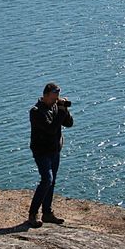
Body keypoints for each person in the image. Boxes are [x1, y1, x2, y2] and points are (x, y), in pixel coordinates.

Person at [28, 82, 73, 228]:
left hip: (54, 150)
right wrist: (60, 110)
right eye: (54, 97)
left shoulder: (55, 107)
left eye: (57, 97)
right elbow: (50, 129)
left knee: (52, 182)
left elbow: (69, 123)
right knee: (47, 179)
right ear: (45, 95)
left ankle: (47, 213)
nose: (56, 100)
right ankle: (32, 214)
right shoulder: (36, 111)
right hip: (41, 151)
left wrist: (65, 109)